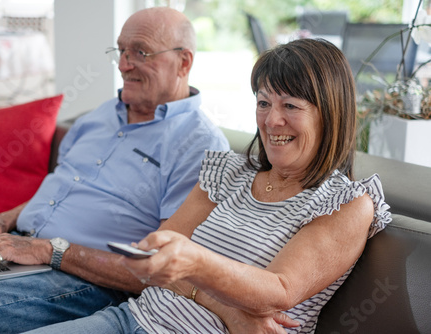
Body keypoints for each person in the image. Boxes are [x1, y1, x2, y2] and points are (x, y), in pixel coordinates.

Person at [26, 38, 392, 334]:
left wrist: (193, 261)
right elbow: (150, 266)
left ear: (330, 113)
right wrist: (210, 294)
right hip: (131, 318)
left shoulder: (346, 203)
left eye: (291, 105)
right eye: (263, 103)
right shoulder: (228, 173)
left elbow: (277, 292)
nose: (271, 120)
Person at [0, 7, 229, 333]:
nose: (123, 64)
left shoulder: (200, 146)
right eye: (121, 50)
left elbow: (159, 269)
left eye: (140, 52)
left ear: (184, 62)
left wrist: (50, 251)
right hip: (18, 246)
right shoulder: (99, 115)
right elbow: (57, 190)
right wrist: (1, 219)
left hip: (82, 280)